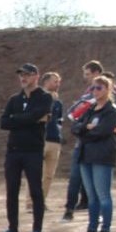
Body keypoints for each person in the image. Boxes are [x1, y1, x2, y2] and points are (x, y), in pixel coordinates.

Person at [0, 63, 53, 232]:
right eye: (21, 75)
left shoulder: (44, 97)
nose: (23, 78)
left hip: (33, 151)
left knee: (35, 190)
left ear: (36, 76)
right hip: (14, 150)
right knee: (11, 190)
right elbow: (4, 122)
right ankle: (12, 227)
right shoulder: (14, 99)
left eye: (27, 75)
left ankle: (37, 229)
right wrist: (27, 119)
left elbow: (36, 115)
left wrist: (17, 119)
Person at [70, 75, 116, 232]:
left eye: (99, 88)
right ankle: (92, 228)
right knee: (91, 196)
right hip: (86, 156)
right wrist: (86, 127)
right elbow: (75, 127)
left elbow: (102, 132)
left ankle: (105, 230)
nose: (95, 91)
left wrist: (84, 132)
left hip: (102, 156)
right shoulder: (90, 109)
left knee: (103, 195)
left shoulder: (111, 111)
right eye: (93, 88)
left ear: (108, 89)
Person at [60, 60, 103, 222]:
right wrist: (84, 126)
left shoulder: (112, 96)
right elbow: (72, 117)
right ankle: (69, 210)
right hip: (83, 143)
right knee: (75, 178)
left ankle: (98, 213)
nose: (85, 78)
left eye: (88, 74)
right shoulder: (86, 96)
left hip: (100, 145)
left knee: (99, 181)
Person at [40, 71, 64, 201]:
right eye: (55, 81)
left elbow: (59, 121)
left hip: (54, 140)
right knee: (37, 173)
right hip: (41, 139)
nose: (58, 84)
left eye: (59, 82)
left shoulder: (58, 102)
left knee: (49, 175)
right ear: (46, 82)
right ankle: (31, 202)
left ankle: (42, 201)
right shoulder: (38, 99)